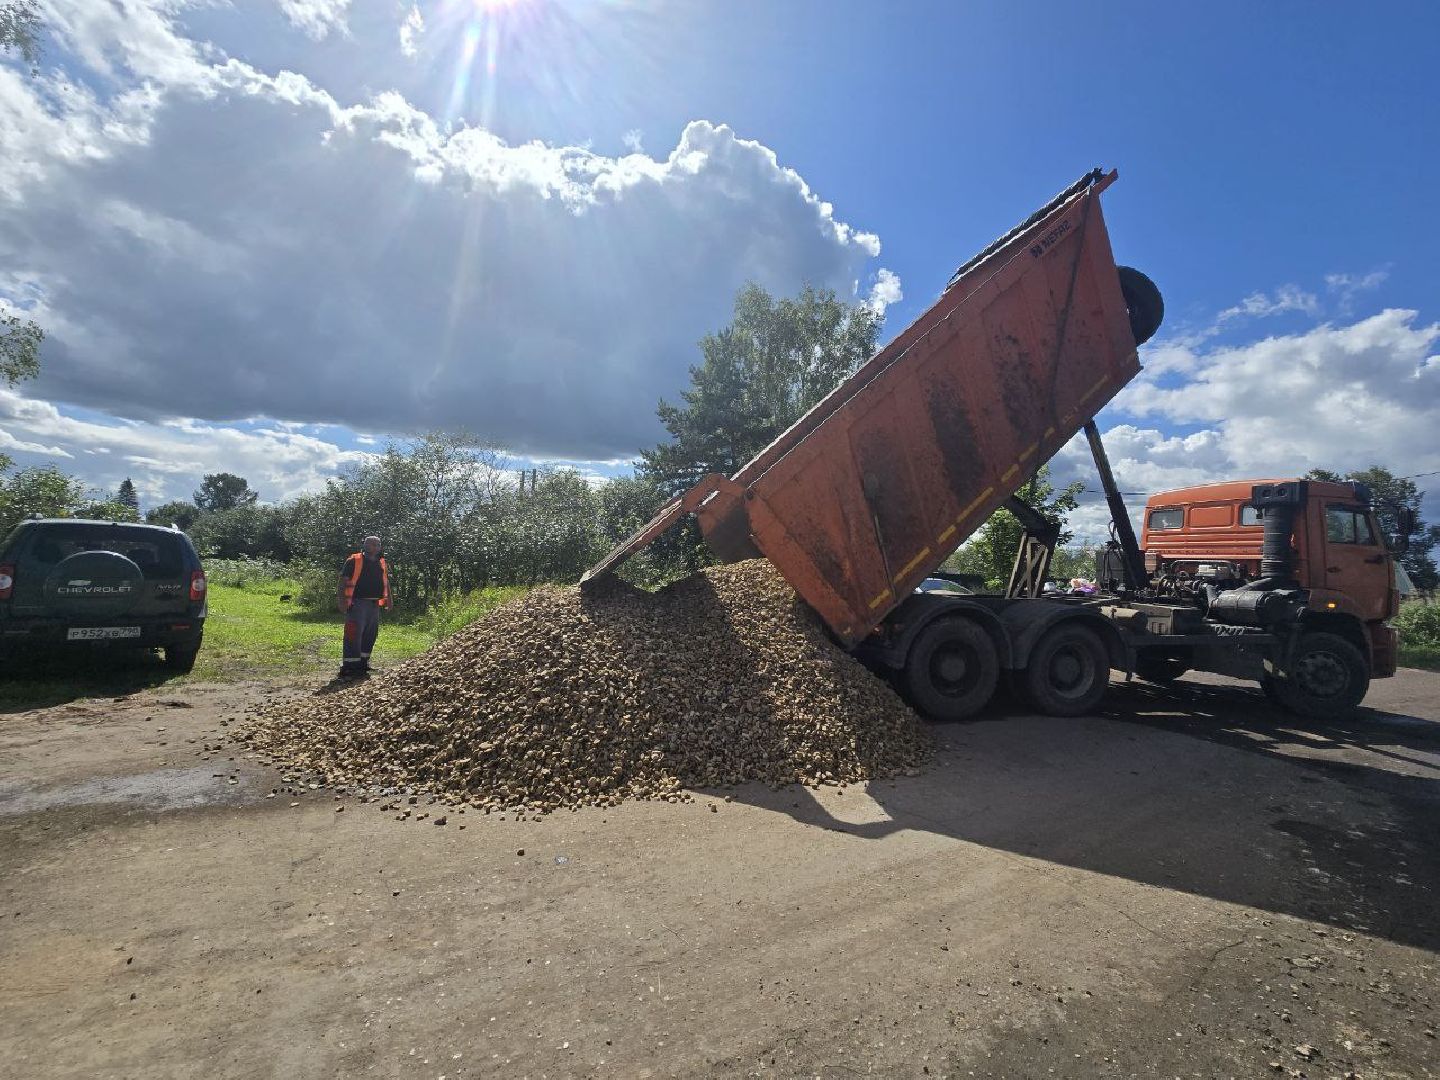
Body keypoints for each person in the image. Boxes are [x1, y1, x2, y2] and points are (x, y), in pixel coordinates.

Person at [337, 535, 390, 679]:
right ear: (365, 545)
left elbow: (386, 582)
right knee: (353, 634)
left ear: (380, 547)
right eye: (371, 544)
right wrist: (342, 600)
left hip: (374, 605)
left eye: (377, 544)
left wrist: (389, 600)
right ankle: (349, 667)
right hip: (357, 603)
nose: (374, 546)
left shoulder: (381, 562)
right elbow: (343, 581)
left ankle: (362, 664)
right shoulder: (354, 560)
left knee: (370, 635)